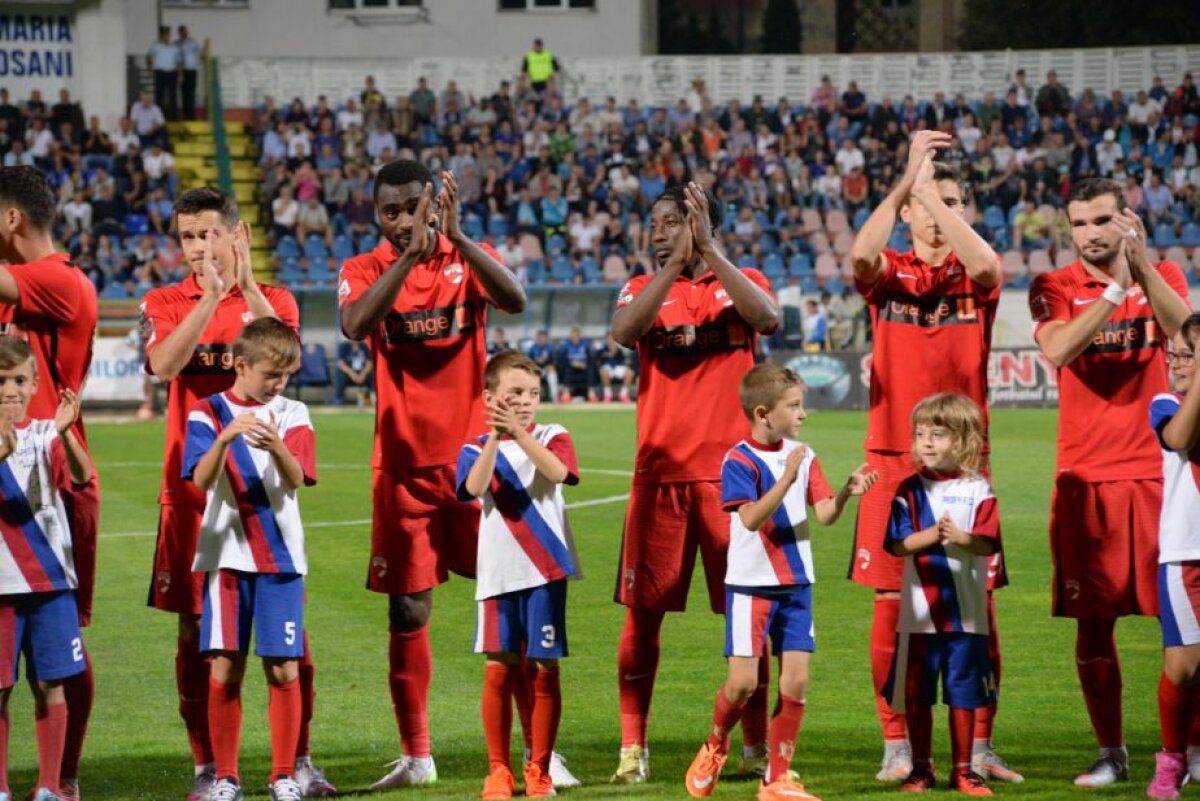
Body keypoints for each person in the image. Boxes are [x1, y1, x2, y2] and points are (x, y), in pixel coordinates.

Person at [338, 161, 550, 790]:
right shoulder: (364, 268)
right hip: (402, 468)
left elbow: (515, 299)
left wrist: (456, 239)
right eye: (390, 211)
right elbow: (355, 325)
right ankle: (418, 755)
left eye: (413, 207)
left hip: (475, 462)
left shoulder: (466, 257)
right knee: (408, 610)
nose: (402, 221)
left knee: (510, 601)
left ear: (432, 203)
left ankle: (537, 754)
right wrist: (407, 258)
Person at [141, 188, 333, 800]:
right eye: (187, 237)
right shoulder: (164, 301)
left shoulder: (273, 299)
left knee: (289, 639)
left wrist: (245, 289)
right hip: (193, 492)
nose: (198, 247)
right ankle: (209, 766)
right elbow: (165, 366)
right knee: (195, 636)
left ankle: (297, 763)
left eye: (208, 234)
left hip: (263, 498)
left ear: (235, 233)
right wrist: (211, 297)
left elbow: (287, 352)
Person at [848, 131, 1012, 784]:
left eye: (953, 204)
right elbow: (861, 255)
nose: (939, 216)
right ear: (907, 213)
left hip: (967, 467)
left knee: (977, 609)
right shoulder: (891, 274)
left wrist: (932, 195)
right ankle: (897, 743)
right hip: (894, 457)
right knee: (893, 604)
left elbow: (990, 266)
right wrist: (905, 186)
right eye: (926, 205)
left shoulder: (976, 277)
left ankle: (981, 745)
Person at [609, 182, 779, 783]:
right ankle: (633, 749)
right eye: (653, 224)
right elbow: (624, 332)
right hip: (660, 479)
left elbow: (767, 317)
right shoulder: (641, 288)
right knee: (643, 617)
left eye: (670, 223)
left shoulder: (742, 280)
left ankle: (755, 747)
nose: (656, 233)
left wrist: (709, 253)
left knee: (746, 617)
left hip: (733, 483)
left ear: (702, 224)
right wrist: (675, 264)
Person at [1028, 177, 1190, 787]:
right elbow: (1060, 350)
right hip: (1086, 479)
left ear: (1127, 219)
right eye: (1079, 223)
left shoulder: (1165, 274)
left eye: (1102, 220)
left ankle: (1189, 748)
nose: (1090, 233)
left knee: (1185, 626)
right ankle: (1111, 752)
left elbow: (1187, 334)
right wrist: (1117, 289)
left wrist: (1140, 268)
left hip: (1160, 477)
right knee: (1093, 624)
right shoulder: (1053, 286)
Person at [684, 364, 875, 801]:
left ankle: (777, 778)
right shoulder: (738, 459)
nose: (803, 413)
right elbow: (750, 518)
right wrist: (787, 477)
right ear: (763, 413)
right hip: (750, 586)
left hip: (797, 585)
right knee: (742, 684)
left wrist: (847, 492)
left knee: (797, 681)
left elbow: (824, 514)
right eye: (794, 406)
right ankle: (715, 744)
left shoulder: (804, 454)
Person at [183, 318, 317, 801]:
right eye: (270, 375)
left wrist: (276, 444)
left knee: (283, 668)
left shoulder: (294, 412)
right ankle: (226, 778)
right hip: (226, 558)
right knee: (225, 667)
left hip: (281, 558)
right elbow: (200, 480)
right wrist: (225, 438)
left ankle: (283, 776)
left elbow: (297, 478)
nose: (278, 384)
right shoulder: (207, 412)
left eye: (285, 376)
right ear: (240, 366)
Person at [0, 165, 99, 801]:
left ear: (11, 218)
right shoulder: (14, 298)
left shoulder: (63, 281)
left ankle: (61, 778)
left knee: (63, 647)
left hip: (55, 482)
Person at [456, 351, 581, 800]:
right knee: (498, 669)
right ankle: (498, 771)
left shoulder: (552, 434)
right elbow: (472, 488)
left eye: (532, 393)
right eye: (515, 394)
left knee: (544, 669)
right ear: (490, 398)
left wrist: (520, 434)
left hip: (546, 570)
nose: (525, 402)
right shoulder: (475, 448)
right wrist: (497, 435)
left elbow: (559, 472)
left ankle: (539, 769)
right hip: (498, 574)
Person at [881, 394, 999, 797]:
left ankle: (964, 771)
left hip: (966, 614)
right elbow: (897, 544)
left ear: (963, 440)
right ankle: (921, 769)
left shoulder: (978, 489)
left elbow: (988, 542)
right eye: (920, 435)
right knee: (917, 693)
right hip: (919, 615)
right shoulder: (909, 490)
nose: (926, 442)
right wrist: (933, 535)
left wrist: (963, 538)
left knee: (963, 694)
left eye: (937, 434)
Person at [0, 337, 92, 801]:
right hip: (1, 586)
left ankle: (49, 786)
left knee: (50, 683)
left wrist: (66, 431)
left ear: (35, 383)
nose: (10, 391)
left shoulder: (44, 432)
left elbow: (80, 476)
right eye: (1, 381)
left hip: (51, 582)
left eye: (19, 380)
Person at [1146, 317, 1200, 800]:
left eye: (1188, 355)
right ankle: (1170, 762)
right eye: (1175, 355)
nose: (1177, 364)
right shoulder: (1166, 403)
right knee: (1183, 667)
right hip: (1187, 555)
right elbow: (1180, 439)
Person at [148, 25, 180, 122]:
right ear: (161, 36)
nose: (166, 36)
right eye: (164, 35)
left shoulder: (174, 47)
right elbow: (150, 58)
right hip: (159, 72)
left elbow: (178, 62)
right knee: (159, 94)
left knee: (172, 95)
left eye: (168, 35)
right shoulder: (155, 46)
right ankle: (158, 117)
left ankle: (173, 117)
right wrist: (151, 70)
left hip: (172, 72)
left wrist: (180, 75)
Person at [336, 339, 374, 407]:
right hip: (349, 373)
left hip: (363, 373)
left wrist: (362, 374)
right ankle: (339, 401)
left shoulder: (365, 346)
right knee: (340, 375)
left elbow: (369, 363)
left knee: (372, 375)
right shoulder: (343, 346)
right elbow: (341, 364)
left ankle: (372, 400)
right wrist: (353, 374)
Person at [524, 330, 559, 403]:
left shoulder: (550, 348)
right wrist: (535, 367)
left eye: (543, 338)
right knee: (529, 375)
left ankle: (554, 397)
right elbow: (528, 363)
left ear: (546, 339)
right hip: (536, 370)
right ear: (537, 338)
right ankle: (530, 398)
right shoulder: (532, 349)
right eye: (539, 338)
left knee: (552, 374)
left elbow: (554, 363)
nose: (541, 340)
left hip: (547, 370)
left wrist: (549, 366)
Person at [176, 26, 202, 121]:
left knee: (191, 93)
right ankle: (186, 115)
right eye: (182, 32)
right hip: (182, 70)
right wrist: (180, 74)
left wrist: (206, 47)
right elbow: (177, 59)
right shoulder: (177, 44)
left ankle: (191, 116)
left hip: (192, 70)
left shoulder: (193, 42)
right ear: (180, 33)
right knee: (184, 93)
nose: (185, 33)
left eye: (186, 31)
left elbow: (201, 52)